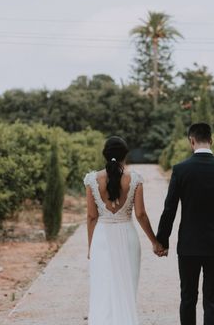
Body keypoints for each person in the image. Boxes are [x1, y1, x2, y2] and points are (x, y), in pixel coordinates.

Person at [156, 122, 214, 325]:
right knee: (212, 300)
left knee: (188, 298)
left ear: (191, 141)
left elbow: (170, 209)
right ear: (211, 140)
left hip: (189, 245)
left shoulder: (181, 170)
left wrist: (162, 240)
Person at [84, 136, 164, 325]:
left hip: (101, 239)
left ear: (105, 155)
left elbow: (91, 216)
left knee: (102, 289)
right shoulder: (134, 179)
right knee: (126, 288)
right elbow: (141, 214)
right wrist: (155, 241)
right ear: (125, 155)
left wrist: (90, 246)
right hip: (127, 237)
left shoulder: (92, 180)